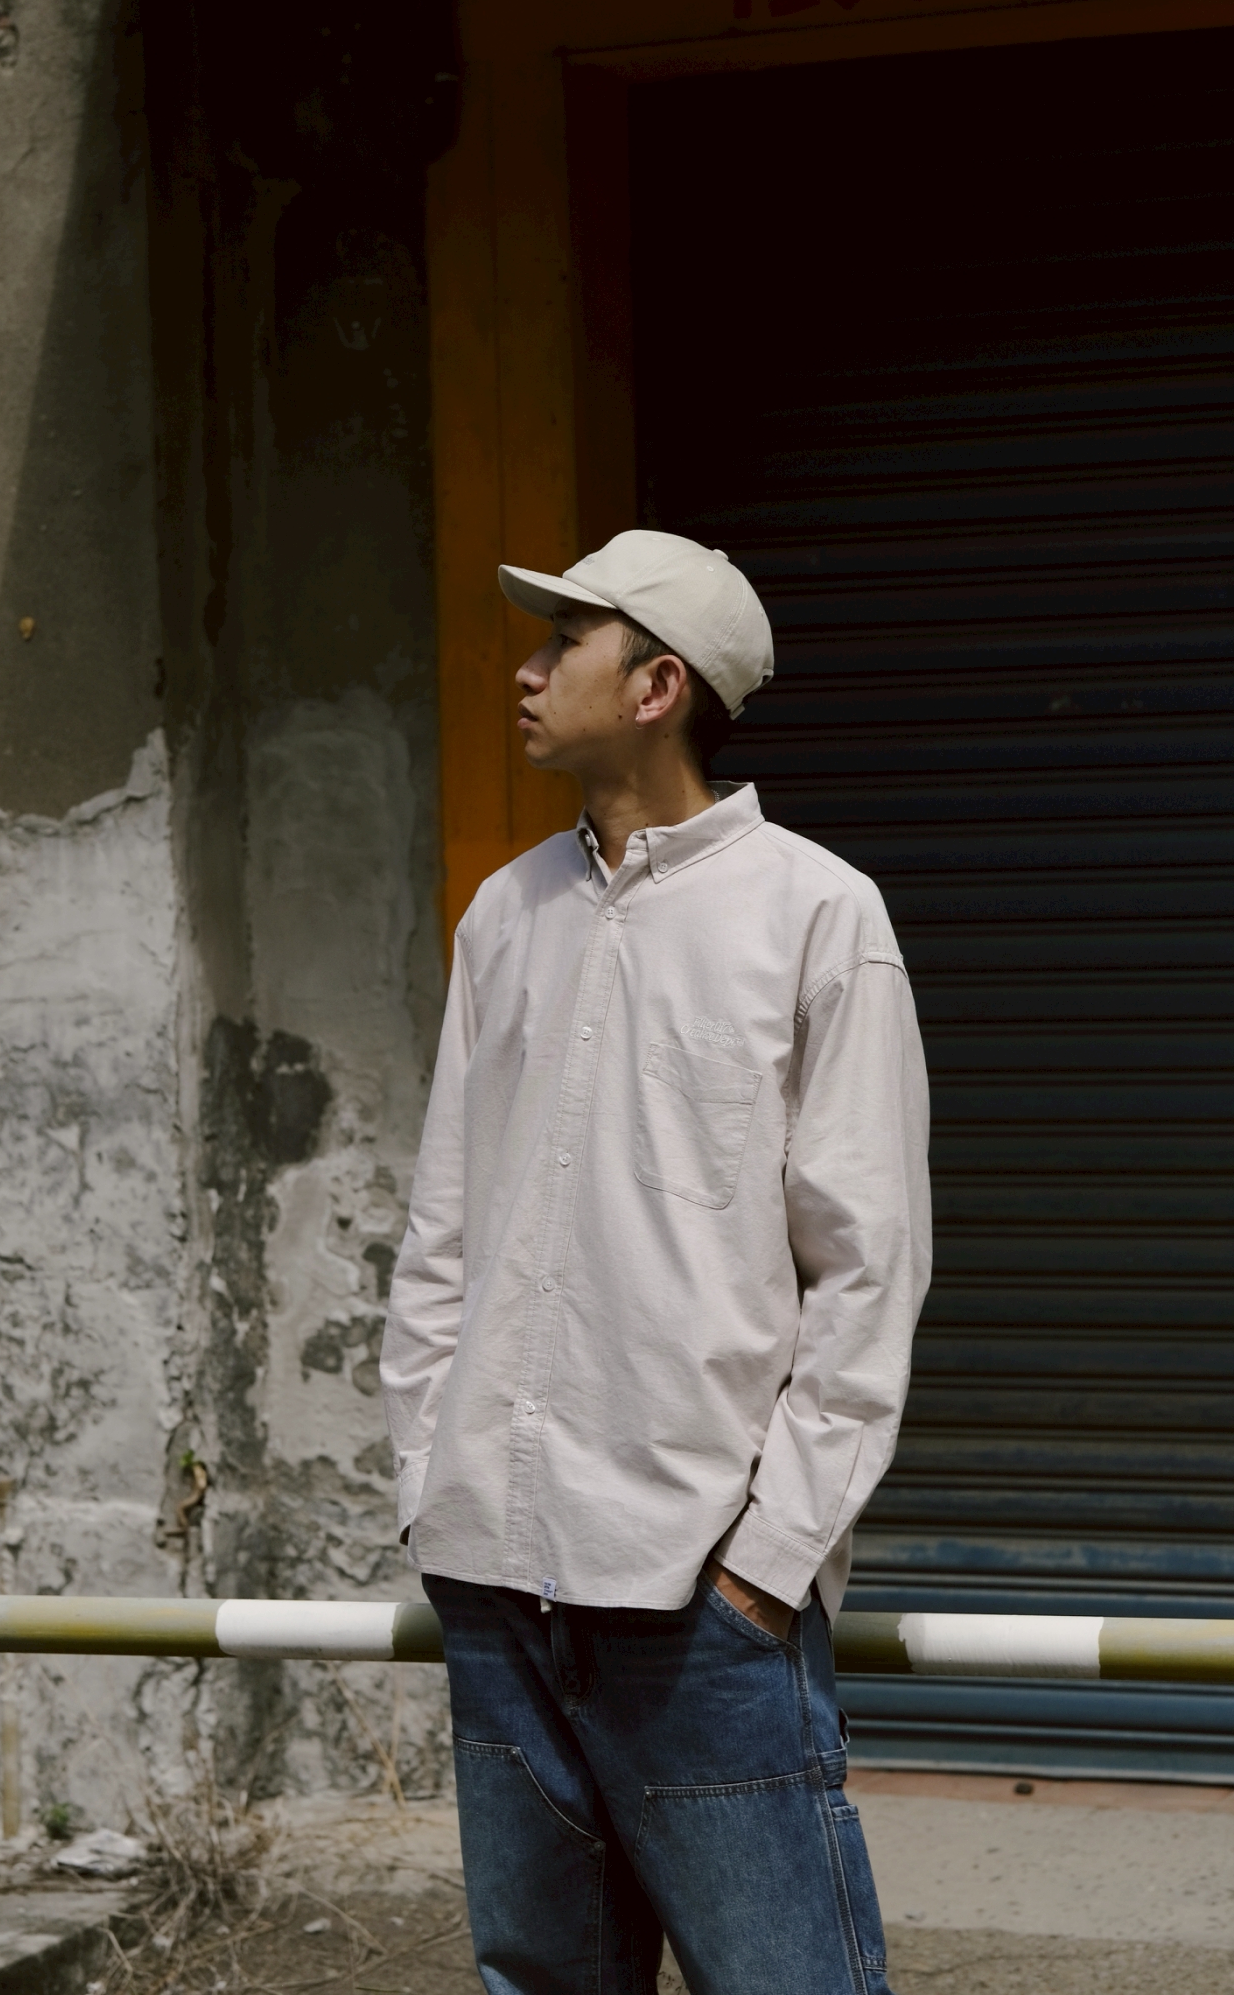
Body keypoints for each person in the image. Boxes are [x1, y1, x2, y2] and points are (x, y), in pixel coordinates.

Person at [381, 530, 931, 1995]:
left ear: (656, 685)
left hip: (696, 1596)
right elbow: (443, 1229)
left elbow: (867, 1270)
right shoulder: (504, 914)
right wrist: (430, 1481)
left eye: (563, 640)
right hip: (496, 1577)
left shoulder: (816, 915)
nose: (523, 668)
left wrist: (767, 1565)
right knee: (541, 1981)